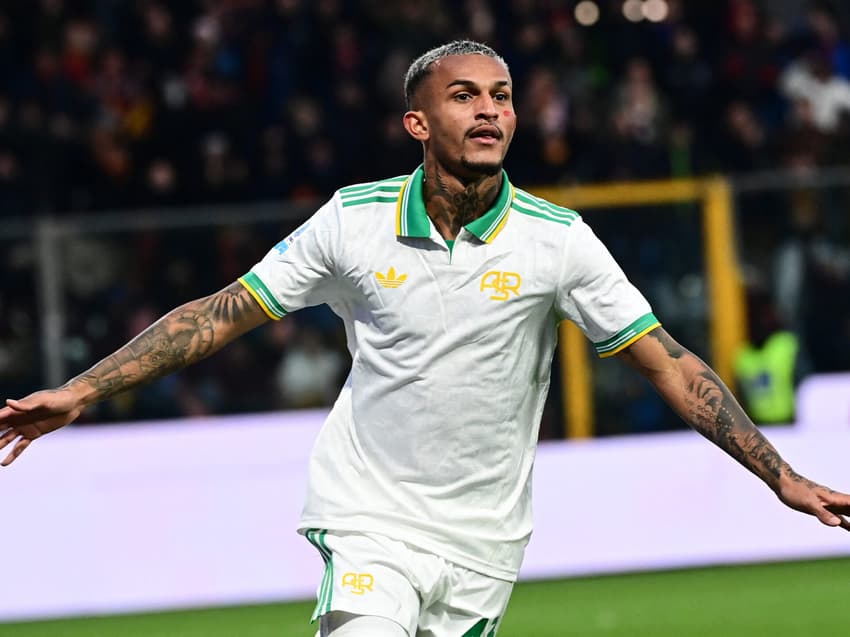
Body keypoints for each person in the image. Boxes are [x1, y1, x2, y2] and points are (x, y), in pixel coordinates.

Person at [2, 40, 849, 637]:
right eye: (465, 95)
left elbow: (669, 363)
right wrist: (82, 388)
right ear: (417, 123)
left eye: (502, 96)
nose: (490, 111)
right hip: (370, 516)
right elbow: (222, 312)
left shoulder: (560, 240)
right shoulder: (351, 221)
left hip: (485, 539)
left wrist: (780, 475)